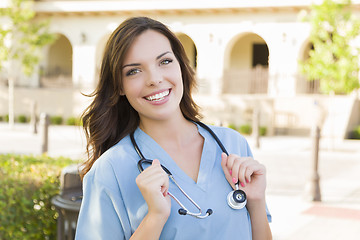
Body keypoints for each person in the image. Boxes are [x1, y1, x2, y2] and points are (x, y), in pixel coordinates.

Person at [75, 16, 272, 240]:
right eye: (134, 71)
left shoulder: (233, 145)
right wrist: (155, 217)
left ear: (181, 66)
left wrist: (256, 201)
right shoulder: (110, 170)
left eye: (165, 61)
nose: (155, 79)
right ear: (119, 86)